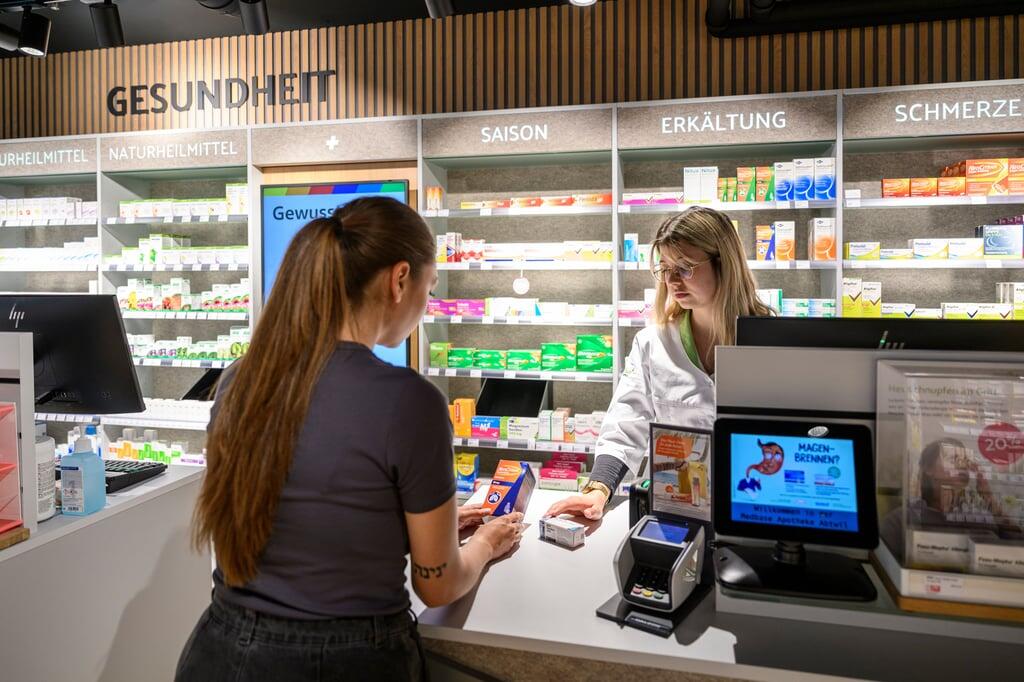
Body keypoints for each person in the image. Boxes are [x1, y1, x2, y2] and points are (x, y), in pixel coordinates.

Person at [177, 197, 523, 682]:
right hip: (349, 660)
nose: (426, 305)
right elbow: (438, 585)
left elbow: (311, 511)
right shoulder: (410, 400)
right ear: (399, 279)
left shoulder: (241, 378)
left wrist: (425, 525)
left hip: (221, 650)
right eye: (429, 288)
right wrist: (485, 542)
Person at [547, 206, 772, 520]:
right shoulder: (653, 343)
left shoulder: (772, 342)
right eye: (665, 268)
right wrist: (598, 489)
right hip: (679, 507)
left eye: (685, 267)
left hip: (757, 505)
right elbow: (626, 424)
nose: (672, 280)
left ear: (724, 264)